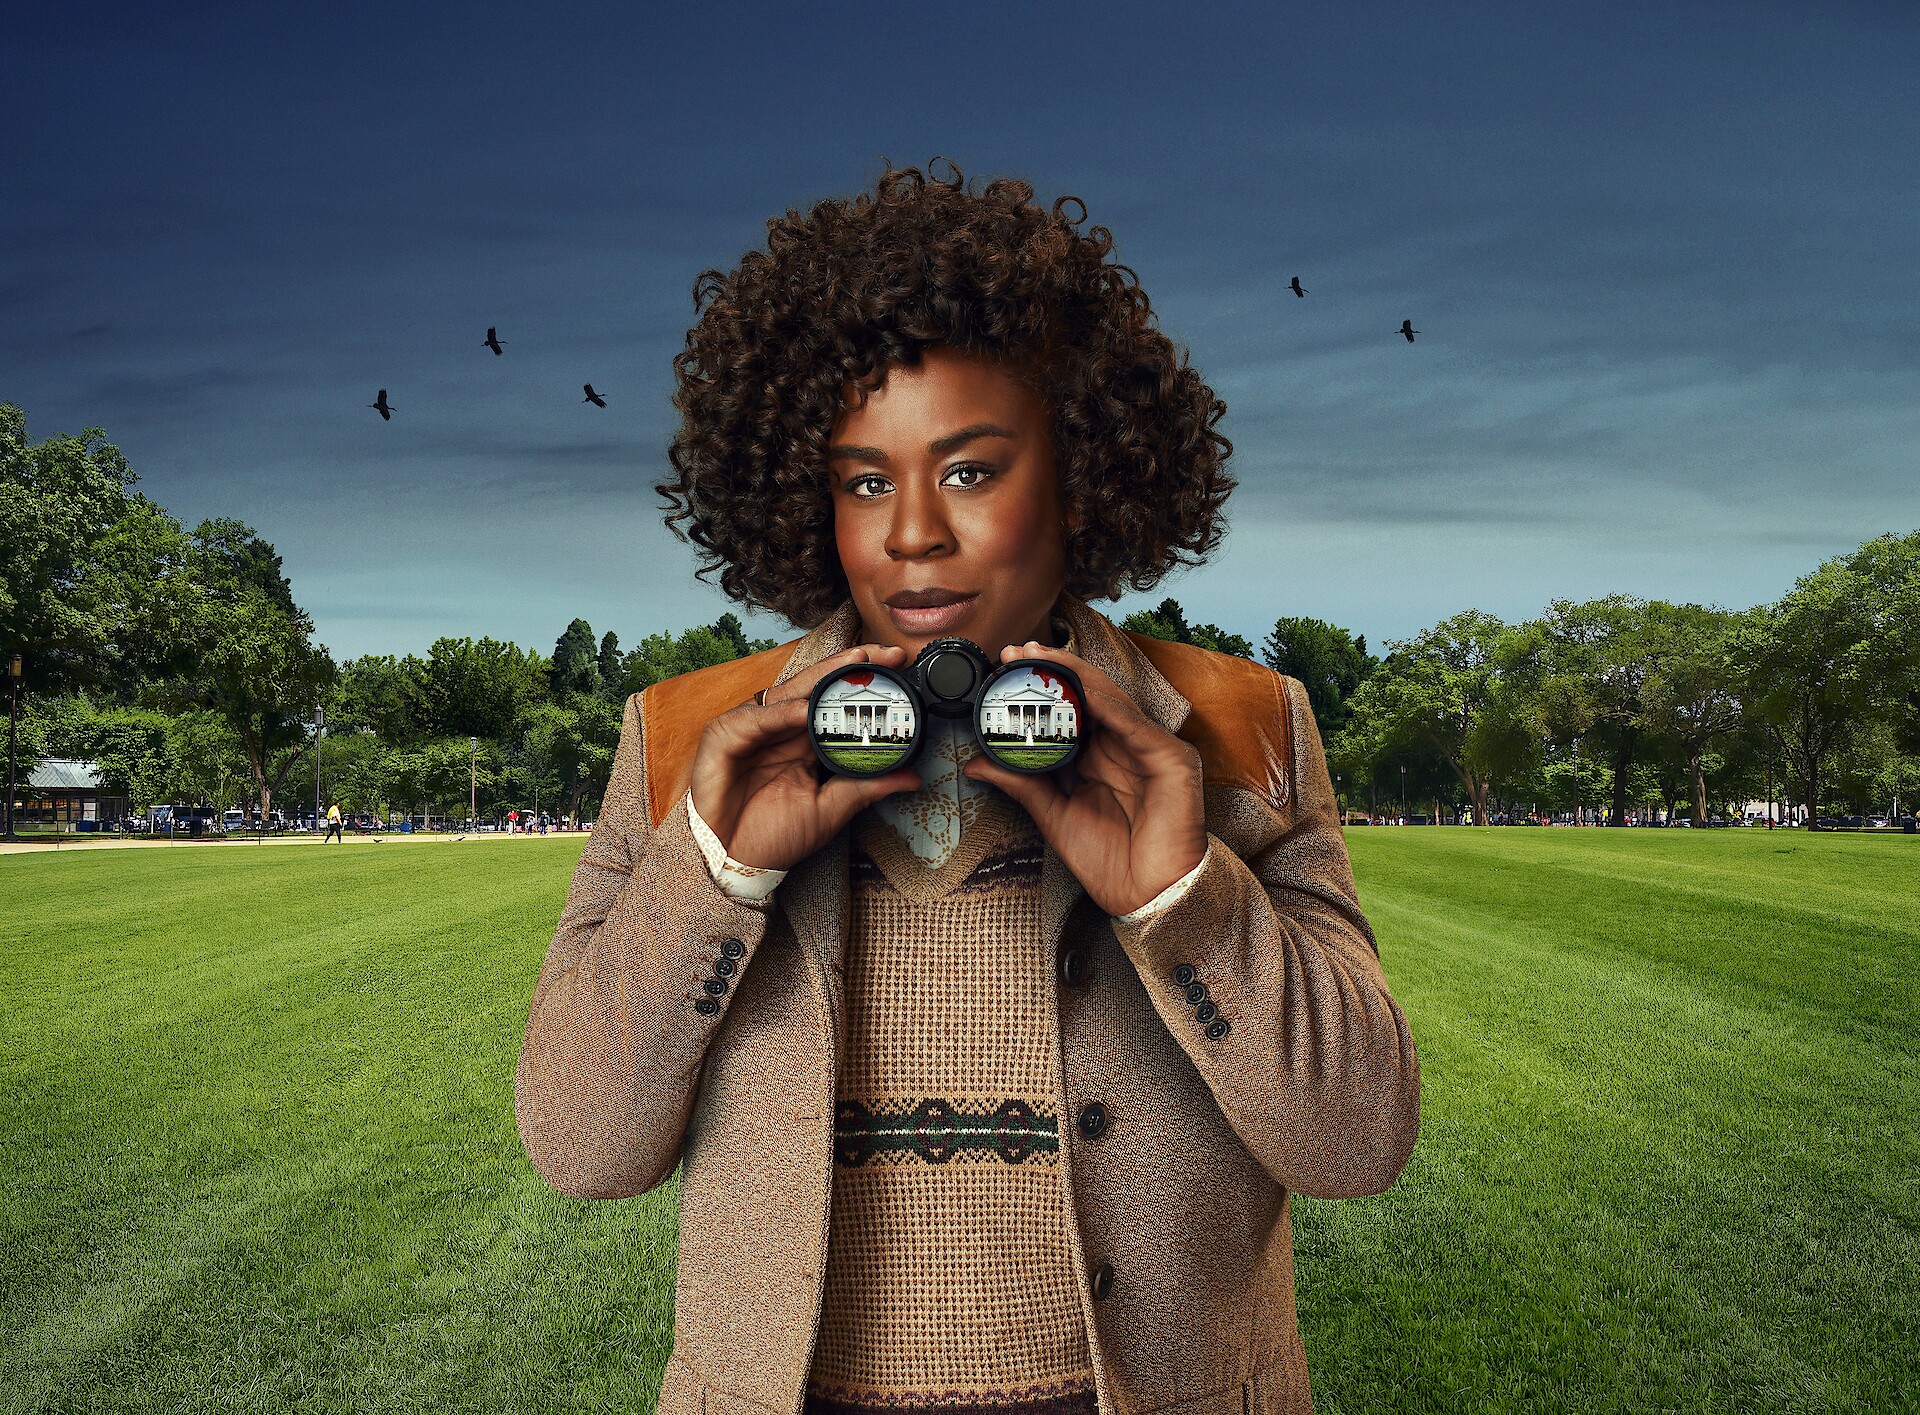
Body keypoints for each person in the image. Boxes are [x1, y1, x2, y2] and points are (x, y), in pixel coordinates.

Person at [514, 161, 1420, 1415]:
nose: (912, 534)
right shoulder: (682, 742)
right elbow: (580, 1146)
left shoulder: (1242, 731)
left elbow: (1359, 1140)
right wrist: (715, 869)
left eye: (973, 470)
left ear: (1083, 473)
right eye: (867, 480)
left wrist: (1178, 894)